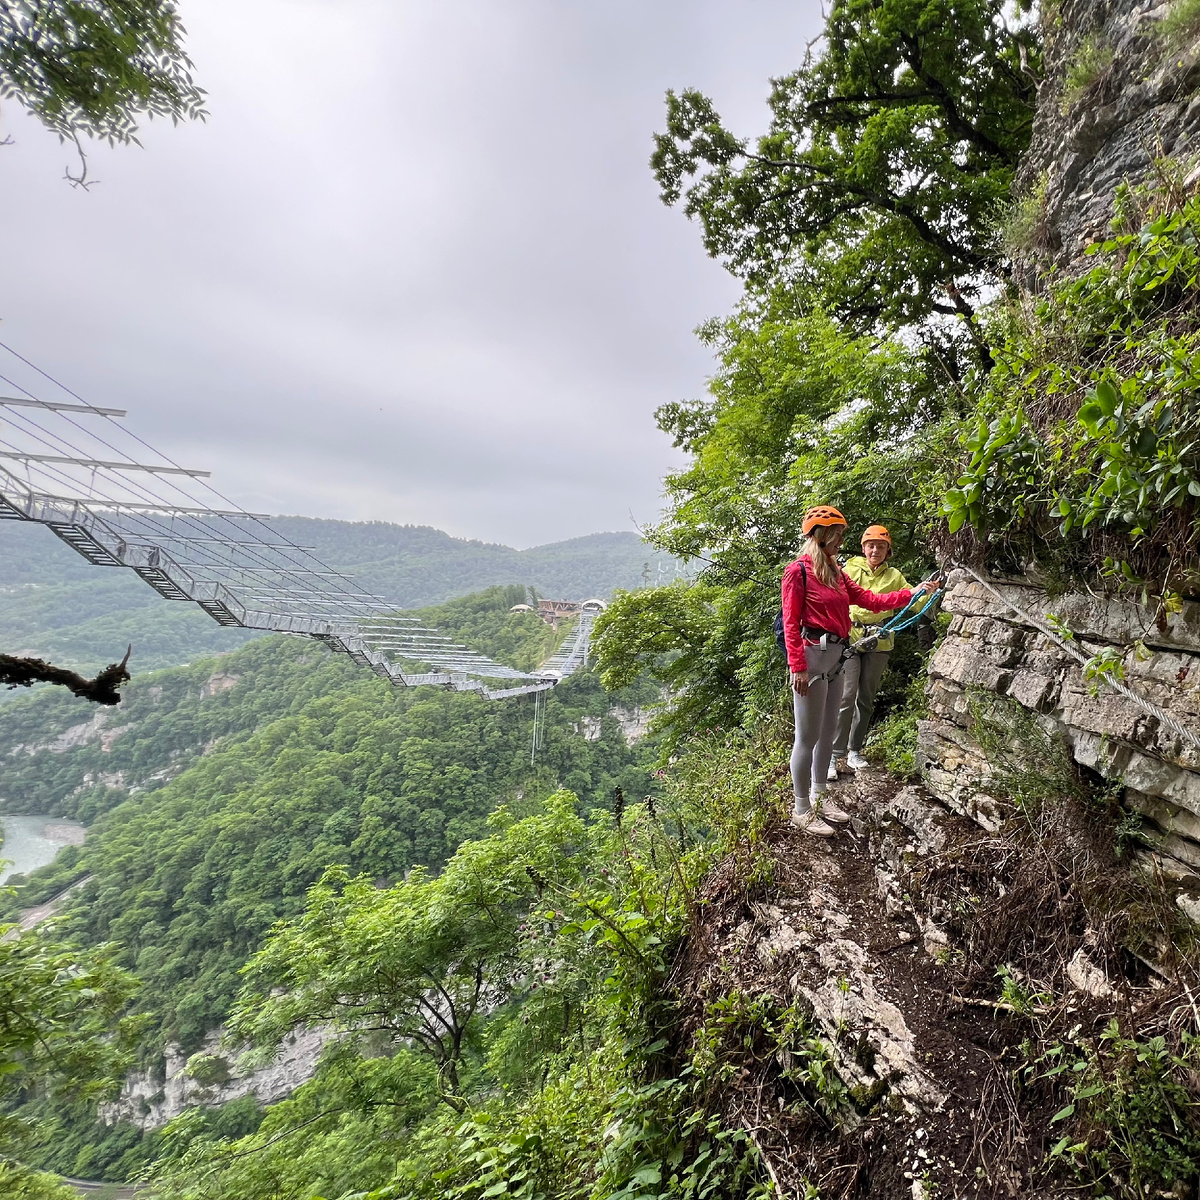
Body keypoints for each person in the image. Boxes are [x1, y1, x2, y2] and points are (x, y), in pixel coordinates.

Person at [781, 507, 939, 836]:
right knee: (807, 737)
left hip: (837, 656)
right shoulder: (798, 572)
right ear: (822, 536)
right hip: (811, 658)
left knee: (826, 734)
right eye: (837, 534)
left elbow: (870, 599)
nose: (842, 540)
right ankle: (801, 808)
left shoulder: (836, 572)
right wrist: (797, 667)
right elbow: (790, 623)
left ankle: (821, 797)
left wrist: (912, 593)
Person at [829, 524, 915, 778]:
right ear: (863, 548)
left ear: (888, 550)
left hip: (880, 640)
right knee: (846, 696)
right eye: (871, 545)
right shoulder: (850, 569)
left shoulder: (895, 576)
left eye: (880, 546)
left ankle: (854, 750)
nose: (875, 550)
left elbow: (911, 597)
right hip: (851, 638)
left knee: (865, 697)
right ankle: (834, 756)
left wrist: (929, 592)